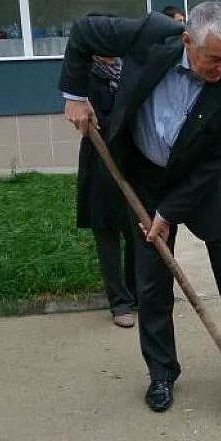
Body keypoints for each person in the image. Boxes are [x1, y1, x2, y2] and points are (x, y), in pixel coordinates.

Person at [59, 2, 221, 414]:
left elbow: (210, 167)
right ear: (187, 40)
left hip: (207, 185)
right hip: (145, 177)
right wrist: (76, 96)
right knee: (152, 280)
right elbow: (83, 32)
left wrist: (168, 214)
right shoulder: (150, 35)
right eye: (215, 59)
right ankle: (161, 372)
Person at [76, 54, 136, 328]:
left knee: (137, 230)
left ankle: (137, 293)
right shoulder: (85, 76)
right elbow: (92, 120)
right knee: (107, 232)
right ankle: (119, 301)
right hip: (99, 162)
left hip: (131, 160)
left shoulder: (128, 71)